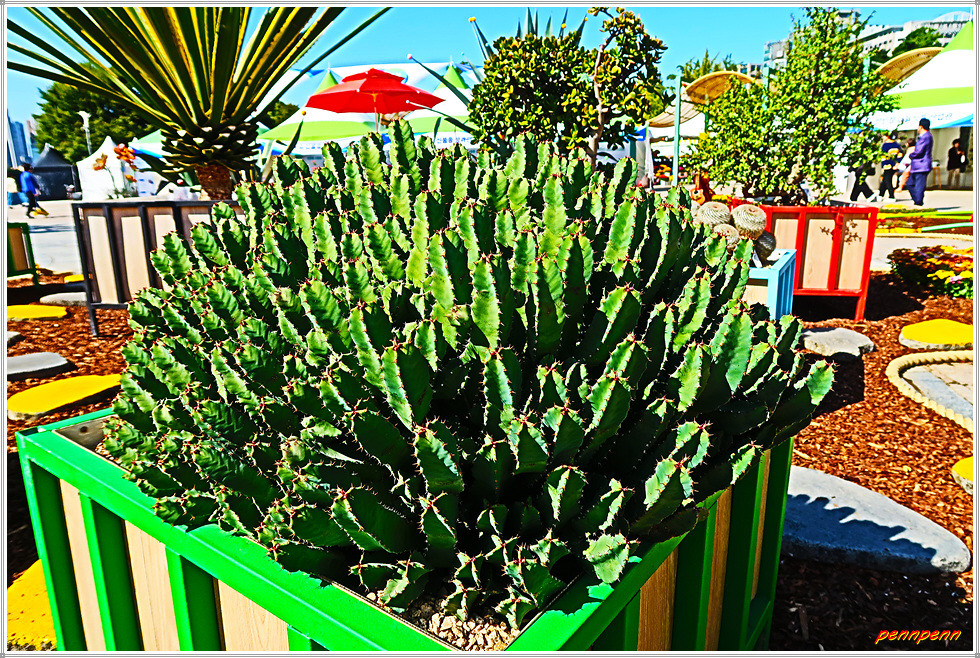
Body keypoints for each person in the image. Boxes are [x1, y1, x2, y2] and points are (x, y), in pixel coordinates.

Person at [907, 117, 933, 206]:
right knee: (910, 183)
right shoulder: (923, 137)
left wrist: (911, 155)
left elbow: (919, 151)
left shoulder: (926, 137)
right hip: (917, 166)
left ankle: (918, 202)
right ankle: (917, 200)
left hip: (921, 165)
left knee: (919, 185)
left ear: (921, 127)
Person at [878, 132, 901, 200]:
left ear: (887, 136)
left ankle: (891, 196)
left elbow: (884, 156)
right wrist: (897, 163)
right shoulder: (896, 144)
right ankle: (880, 195)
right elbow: (900, 154)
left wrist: (884, 165)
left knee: (887, 181)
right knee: (885, 180)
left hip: (887, 165)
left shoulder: (885, 145)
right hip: (894, 165)